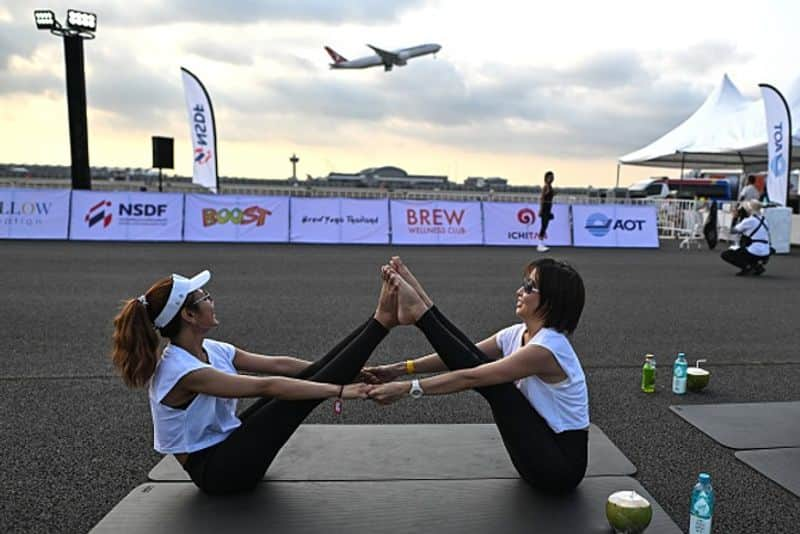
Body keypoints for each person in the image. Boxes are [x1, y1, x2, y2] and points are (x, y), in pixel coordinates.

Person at [111, 269, 397, 494]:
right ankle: (381, 321)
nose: (212, 300)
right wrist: (340, 390)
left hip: (228, 449)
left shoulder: (210, 348)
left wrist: (348, 373)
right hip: (217, 473)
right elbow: (267, 385)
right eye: (205, 297)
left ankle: (379, 319)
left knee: (299, 382)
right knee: (285, 398)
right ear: (188, 315)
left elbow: (278, 364)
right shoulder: (183, 371)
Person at [366, 257, 588, 494]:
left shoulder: (548, 349)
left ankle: (421, 314)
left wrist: (406, 389)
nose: (519, 291)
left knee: (498, 386)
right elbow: (462, 352)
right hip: (533, 457)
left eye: (529, 287)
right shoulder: (517, 334)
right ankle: (421, 309)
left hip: (560, 470)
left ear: (551, 301)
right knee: (476, 361)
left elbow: (472, 377)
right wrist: (399, 369)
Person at [720, 200, 771, 276]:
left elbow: (733, 231)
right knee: (745, 247)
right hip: (766, 252)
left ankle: (747, 267)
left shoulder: (749, 221)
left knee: (726, 254)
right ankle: (757, 266)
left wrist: (734, 218)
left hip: (754, 251)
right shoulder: (765, 220)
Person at [537, 171, 555, 252]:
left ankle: (542, 242)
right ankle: (540, 244)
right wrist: (541, 210)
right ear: (546, 178)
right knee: (543, 226)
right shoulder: (546, 187)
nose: (551, 179)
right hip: (545, 207)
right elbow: (542, 198)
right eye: (550, 177)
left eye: (552, 177)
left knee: (545, 225)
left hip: (548, 207)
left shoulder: (550, 186)